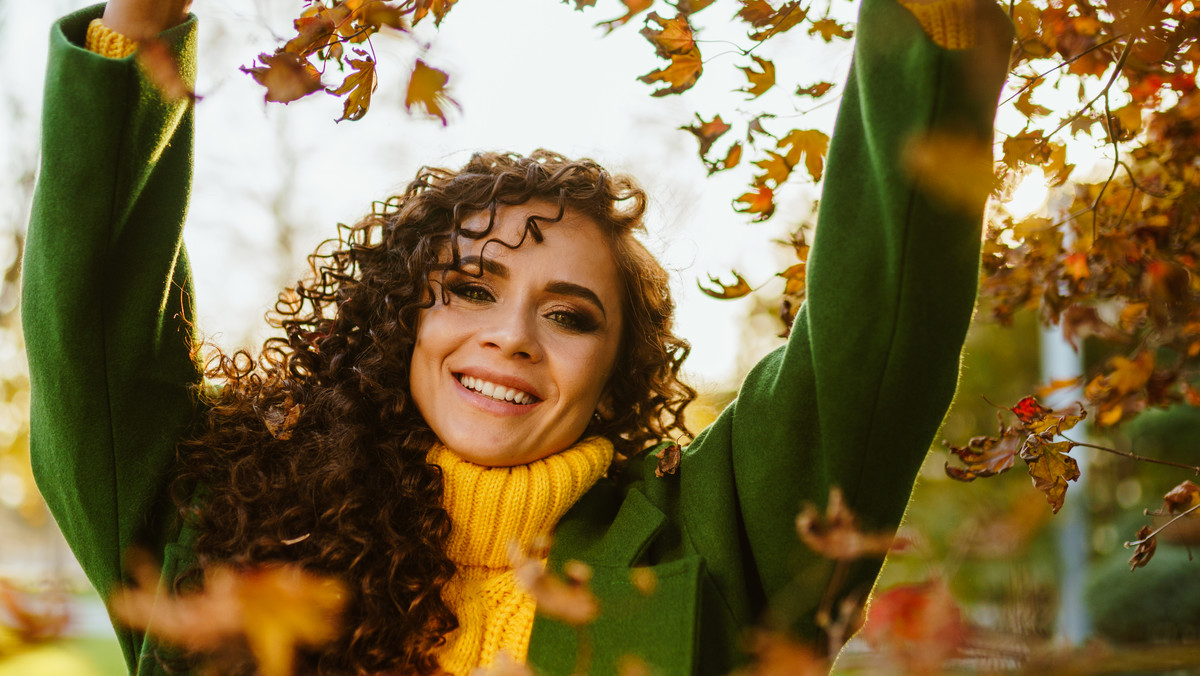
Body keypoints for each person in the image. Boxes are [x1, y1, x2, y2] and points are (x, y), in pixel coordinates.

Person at [24, 0, 1013, 674]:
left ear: (618, 365)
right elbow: (93, 338)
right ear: (400, 318)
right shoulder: (232, 521)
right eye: (468, 288)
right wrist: (139, 29)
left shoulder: (720, 543)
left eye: (570, 313)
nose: (511, 337)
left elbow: (877, 328)